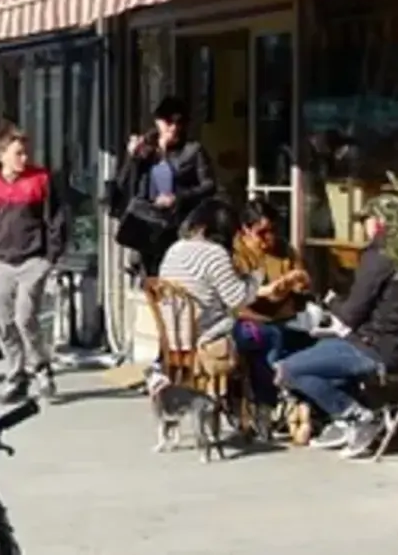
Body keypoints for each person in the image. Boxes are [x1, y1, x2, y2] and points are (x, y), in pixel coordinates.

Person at [274, 194, 398, 458]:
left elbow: (352, 313)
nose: (364, 227)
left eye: (367, 220)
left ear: (379, 222)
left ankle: (356, 417)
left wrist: (329, 301)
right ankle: (343, 423)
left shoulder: (380, 254)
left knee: (288, 369)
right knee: (324, 354)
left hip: (376, 349)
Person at [0, 126, 67, 404]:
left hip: (33, 259)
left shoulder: (40, 180)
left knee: (25, 317)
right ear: (1, 154)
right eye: (18, 152)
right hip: (1, 261)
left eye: (26, 152)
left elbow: (55, 218)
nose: (24, 158)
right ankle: (16, 375)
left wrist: (50, 257)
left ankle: (41, 367)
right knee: (4, 322)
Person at [159, 199, 303, 350]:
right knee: (269, 334)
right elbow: (237, 301)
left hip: (172, 335)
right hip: (205, 334)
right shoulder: (215, 253)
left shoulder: (175, 248)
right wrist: (264, 285)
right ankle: (271, 373)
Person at [113, 96, 216, 276]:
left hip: (177, 226)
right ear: (158, 122)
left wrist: (179, 196)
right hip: (146, 224)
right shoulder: (146, 149)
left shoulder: (193, 150)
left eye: (179, 123)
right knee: (151, 281)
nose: (173, 128)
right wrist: (132, 158)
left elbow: (209, 185)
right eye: (168, 123)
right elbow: (124, 183)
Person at [231, 198, 313, 404]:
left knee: (314, 343)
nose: (269, 238)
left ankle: (304, 405)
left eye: (273, 230)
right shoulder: (234, 256)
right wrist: (265, 291)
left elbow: (302, 282)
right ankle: (266, 403)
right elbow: (235, 295)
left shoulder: (284, 249)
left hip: (286, 315)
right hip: (250, 317)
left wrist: (300, 282)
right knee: (267, 339)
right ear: (245, 230)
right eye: (262, 232)